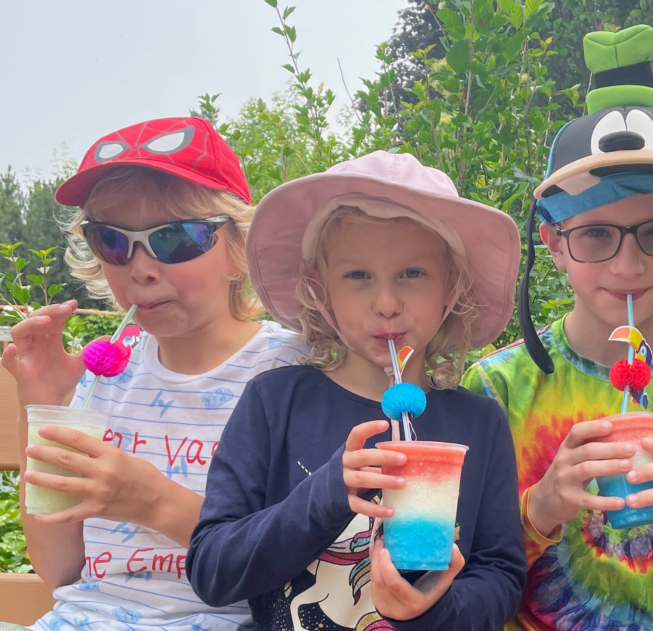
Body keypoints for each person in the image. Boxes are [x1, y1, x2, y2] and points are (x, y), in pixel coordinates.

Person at [462, 25, 653, 631]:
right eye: (596, 233)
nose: (627, 265)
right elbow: (466, 586)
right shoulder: (497, 389)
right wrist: (540, 509)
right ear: (553, 244)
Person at [186, 151, 527, 631]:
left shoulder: (479, 423)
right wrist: (326, 495)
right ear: (318, 289)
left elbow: (502, 578)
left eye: (412, 274)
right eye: (357, 276)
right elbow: (212, 571)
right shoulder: (274, 403)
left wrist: (433, 610)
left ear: (452, 287)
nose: (386, 304)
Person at [0, 116, 306, 631]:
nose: (139, 268)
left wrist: (154, 502)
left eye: (175, 238)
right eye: (112, 242)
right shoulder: (106, 378)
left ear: (239, 250)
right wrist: (45, 404)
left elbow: (305, 565)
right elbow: (62, 572)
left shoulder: (292, 373)